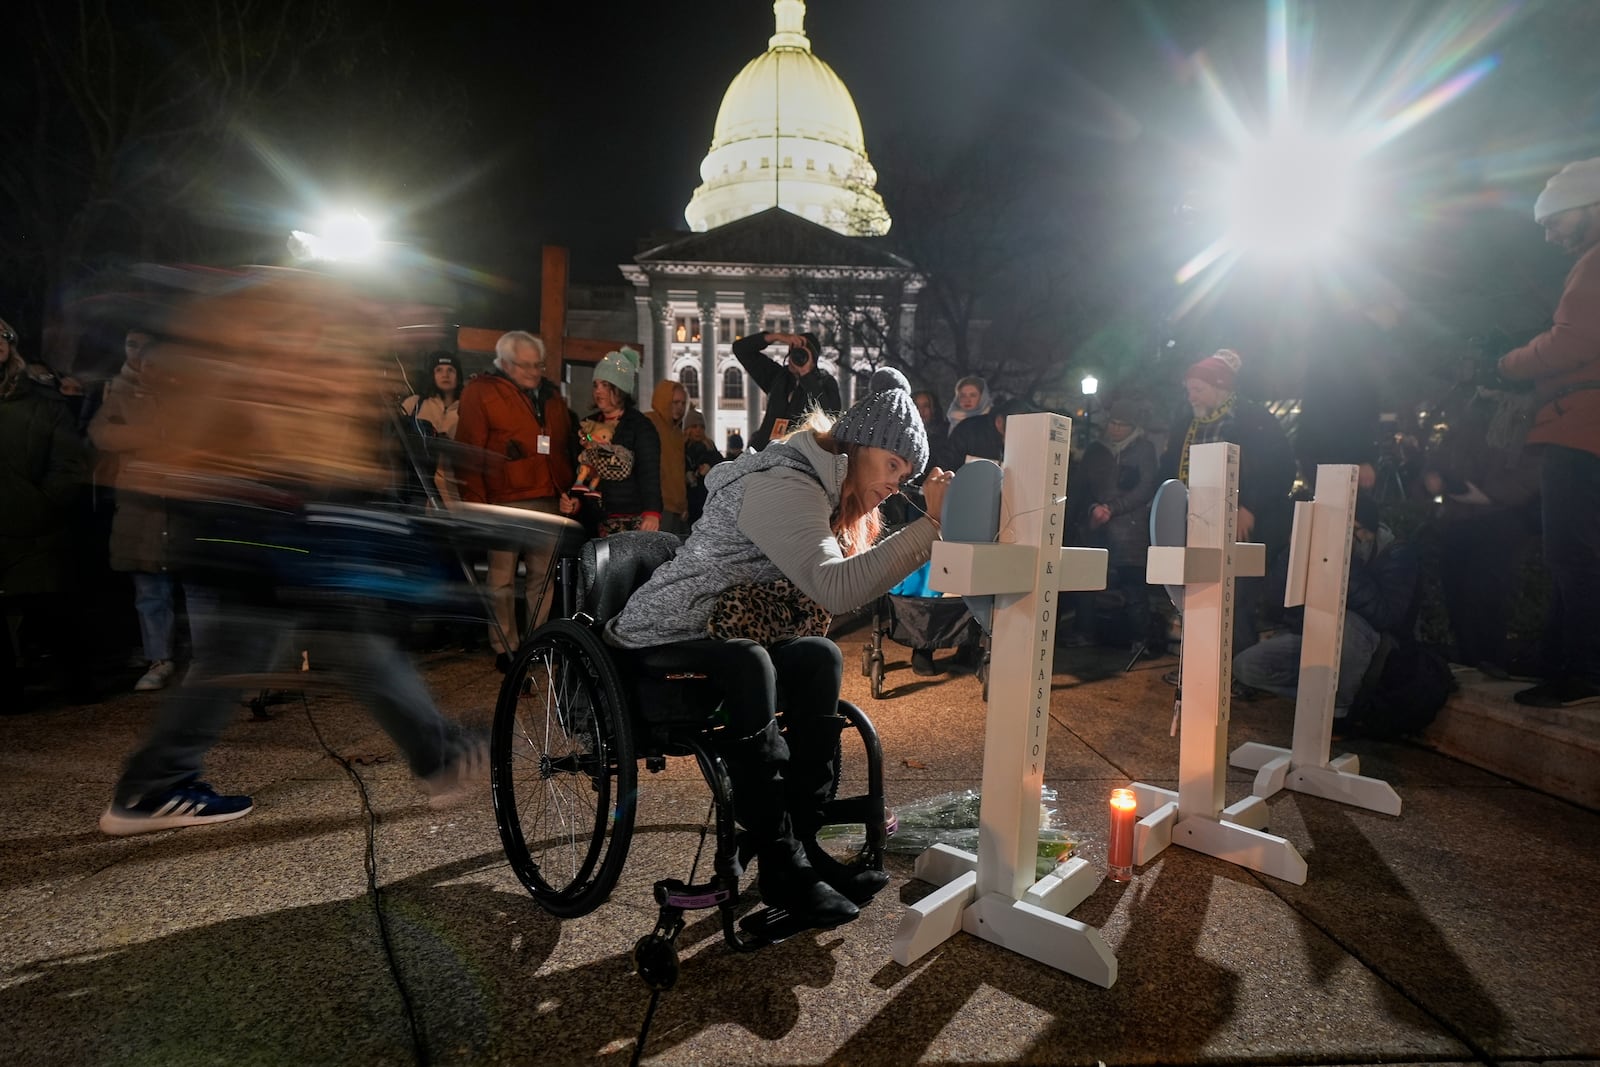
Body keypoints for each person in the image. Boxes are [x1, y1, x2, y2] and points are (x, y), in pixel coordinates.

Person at [97, 271, 487, 834]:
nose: (416, 323)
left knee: (294, 647)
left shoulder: (305, 322)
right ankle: (153, 785)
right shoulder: (300, 322)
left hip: (263, 511)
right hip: (263, 513)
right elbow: (285, 417)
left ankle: (155, 783)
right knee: (315, 643)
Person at [605, 369, 950, 930]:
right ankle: (778, 858)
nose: (896, 484)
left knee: (819, 656)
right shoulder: (784, 482)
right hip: (665, 630)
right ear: (859, 445)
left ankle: (803, 843)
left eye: (905, 475)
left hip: (724, 629)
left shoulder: (818, 484)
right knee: (750, 663)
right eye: (892, 466)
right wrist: (932, 525)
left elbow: (832, 590)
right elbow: (835, 586)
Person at [1496, 157, 1600, 708]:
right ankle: (1563, 660)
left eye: (1556, 218)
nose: (1549, 231)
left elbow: (1571, 342)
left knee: (1570, 550)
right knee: (1578, 548)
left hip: (1582, 430)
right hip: (1584, 427)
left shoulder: (1595, 262)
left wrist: (1509, 364)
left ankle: (1580, 670)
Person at [1232, 496, 1420, 719]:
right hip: (1319, 639)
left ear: (1366, 532)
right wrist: (1294, 551)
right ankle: (1322, 698)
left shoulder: (1396, 554)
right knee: (1247, 667)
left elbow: (1387, 616)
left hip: (1374, 651)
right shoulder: (1321, 549)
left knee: (1349, 621)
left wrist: (1345, 566)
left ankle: (1339, 711)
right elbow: (1274, 598)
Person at [455, 331, 577, 672]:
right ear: (506, 363)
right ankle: (505, 647)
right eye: (526, 366)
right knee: (502, 579)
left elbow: (562, 447)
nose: (535, 372)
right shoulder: (481, 392)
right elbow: (468, 451)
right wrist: (475, 503)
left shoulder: (552, 397)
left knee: (542, 578)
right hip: (502, 500)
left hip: (547, 497)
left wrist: (566, 488)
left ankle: (535, 642)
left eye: (538, 364)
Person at [1164, 348, 1295, 654]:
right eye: (1189, 390)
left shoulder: (1255, 420)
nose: (1191, 397)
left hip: (1244, 525)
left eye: (1198, 389)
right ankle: (1198, 665)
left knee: (1236, 599)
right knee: (1196, 593)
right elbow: (1168, 468)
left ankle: (1236, 671)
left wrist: (1250, 506)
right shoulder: (1185, 424)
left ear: (1220, 386)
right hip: (1196, 521)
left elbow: (1282, 469)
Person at [1424, 336, 1541, 678]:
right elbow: (1446, 452)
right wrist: (1433, 475)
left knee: (1484, 593)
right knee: (1457, 591)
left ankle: (1490, 662)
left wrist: (1489, 495)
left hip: (1500, 518)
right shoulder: (1470, 407)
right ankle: (1472, 662)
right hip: (1459, 516)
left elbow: (1533, 467)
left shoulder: (1529, 408)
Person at [1, 316, 92, 711]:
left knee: (51, 610)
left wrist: (42, 504)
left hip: (38, 528)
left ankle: (77, 682)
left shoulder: (40, 402)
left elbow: (70, 462)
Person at [87, 328, 184, 691]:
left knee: (194, 585)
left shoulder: (187, 396)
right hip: (140, 505)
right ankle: (159, 657)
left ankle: (205, 658)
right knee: (149, 588)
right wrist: (149, 438)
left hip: (180, 502)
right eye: (133, 346)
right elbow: (101, 434)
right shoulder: (119, 394)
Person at [1064, 400, 1160, 652]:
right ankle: (1085, 631)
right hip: (1095, 523)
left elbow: (1146, 487)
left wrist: (1113, 508)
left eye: (1122, 425)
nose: (1116, 429)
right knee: (1087, 580)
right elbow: (1081, 487)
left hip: (1130, 526)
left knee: (1133, 583)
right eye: (1113, 423)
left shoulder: (1144, 449)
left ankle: (1141, 638)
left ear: (1132, 426)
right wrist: (1091, 510)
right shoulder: (1096, 450)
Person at [561, 346, 660, 537]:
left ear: (620, 389)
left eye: (606, 385)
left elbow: (649, 473)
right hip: (592, 520)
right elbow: (580, 469)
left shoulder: (640, 426)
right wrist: (575, 500)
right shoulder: (588, 425)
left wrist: (652, 512)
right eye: (596, 385)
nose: (598, 391)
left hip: (630, 518)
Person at [732, 330, 842, 452]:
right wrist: (776, 336)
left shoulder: (825, 383)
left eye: (801, 354)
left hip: (800, 455)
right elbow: (740, 349)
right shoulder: (778, 377)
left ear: (813, 359)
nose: (792, 358)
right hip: (765, 451)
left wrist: (806, 375)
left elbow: (830, 415)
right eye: (792, 352)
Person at [644, 379, 691, 534]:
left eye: (683, 403)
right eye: (675, 402)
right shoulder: (649, 422)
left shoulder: (678, 432)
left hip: (676, 509)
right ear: (664, 401)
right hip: (658, 507)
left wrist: (683, 505)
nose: (680, 407)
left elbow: (678, 471)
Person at [682, 408, 724, 525]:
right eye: (694, 426)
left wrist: (710, 468)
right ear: (688, 429)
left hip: (706, 498)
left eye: (701, 427)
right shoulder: (681, 448)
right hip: (688, 500)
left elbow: (721, 467)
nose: (698, 430)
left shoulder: (710, 447)